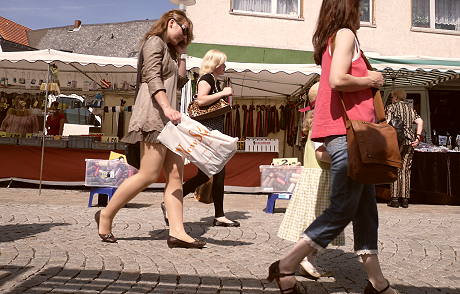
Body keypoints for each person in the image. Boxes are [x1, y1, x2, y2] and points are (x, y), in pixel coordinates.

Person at [267, 1, 399, 293]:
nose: (363, 11)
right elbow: (338, 79)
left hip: (347, 136)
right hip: (350, 135)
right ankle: (286, 265)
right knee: (341, 210)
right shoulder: (345, 34)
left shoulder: (334, 38)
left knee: (365, 212)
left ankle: (377, 283)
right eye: (360, 6)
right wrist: (372, 79)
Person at [95, 10, 206, 249]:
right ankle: (105, 215)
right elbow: (152, 77)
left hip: (170, 119)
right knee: (148, 174)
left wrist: (182, 55)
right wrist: (166, 108)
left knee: (176, 175)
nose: (185, 36)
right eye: (184, 30)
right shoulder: (154, 42)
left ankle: (177, 232)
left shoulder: (172, 51)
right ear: (171, 22)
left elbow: (179, 81)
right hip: (154, 116)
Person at [161, 49, 239, 227]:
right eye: (223, 63)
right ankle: (170, 202)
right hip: (208, 134)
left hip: (212, 134)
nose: (225, 66)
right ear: (216, 64)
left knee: (215, 174)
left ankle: (219, 215)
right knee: (208, 175)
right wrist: (223, 93)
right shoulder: (207, 78)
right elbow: (201, 100)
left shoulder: (212, 79)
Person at [277, 82, 344, 281]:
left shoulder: (317, 120)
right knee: (314, 220)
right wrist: (344, 158)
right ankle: (303, 259)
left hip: (319, 176)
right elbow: (321, 153)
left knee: (315, 220)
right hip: (319, 177)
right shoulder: (320, 123)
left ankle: (310, 261)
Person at [385, 89, 423, 208]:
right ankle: (405, 199)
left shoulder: (391, 107)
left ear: (395, 97)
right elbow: (420, 121)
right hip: (410, 141)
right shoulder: (410, 109)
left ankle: (395, 199)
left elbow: (387, 122)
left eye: (392, 97)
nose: (392, 99)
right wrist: (417, 137)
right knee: (406, 169)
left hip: (396, 141)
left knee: (395, 167)